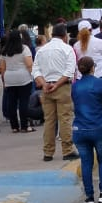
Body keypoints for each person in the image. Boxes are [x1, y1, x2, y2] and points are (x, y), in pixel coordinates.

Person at [71, 56, 102, 203]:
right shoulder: (100, 83)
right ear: (92, 68)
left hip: (80, 128)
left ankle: (89, 197)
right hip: (99, 127)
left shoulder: (75, 86)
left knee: (86, 163)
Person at [32, 23, 78, 162]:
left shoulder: (42, 50)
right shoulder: (67, 49)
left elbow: (35, 70)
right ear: (65, 36)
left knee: (49, 120)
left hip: (46, 87)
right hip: (62, 86)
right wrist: (57, 84)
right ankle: (67, 150)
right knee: (65, 119)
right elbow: (70, 70)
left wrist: (44, 84)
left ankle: (48, 152)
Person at [0, 31, 35, 133]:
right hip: (23, 77)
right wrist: (33, 75)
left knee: (12, 102)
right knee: (23, 102)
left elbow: (2, 68)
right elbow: (29, 64)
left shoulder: (4, 50)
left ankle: (14, 126)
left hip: (9, 77)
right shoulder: (24, 48)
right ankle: (24, 126)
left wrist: (4, 81)